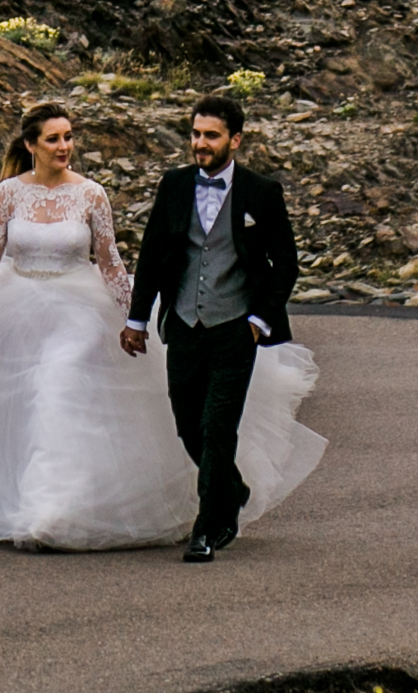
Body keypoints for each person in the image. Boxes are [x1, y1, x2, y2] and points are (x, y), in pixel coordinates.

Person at [0, 100, 324, 552]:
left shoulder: (91, 193)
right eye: (54, 138)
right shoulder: (10, 194)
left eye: (68, 137)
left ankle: (55, 510)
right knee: (31, 411)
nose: (64, 146)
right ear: (31, 145)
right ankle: (225, 486)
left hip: (85, 312)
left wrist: (132, 317)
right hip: (14, 310)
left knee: (58, 388)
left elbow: (111, 261)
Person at [122, 91, 320, 561]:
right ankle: (231, 489)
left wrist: (257, 320)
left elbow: (285, 264)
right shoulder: (173, 186)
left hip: (235, 328)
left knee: (217, 427)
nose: (200, 143)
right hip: (184, 324)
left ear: (235, 140)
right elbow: (152, 254)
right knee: (187, 421)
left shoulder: (261, 192)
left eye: (211, 135)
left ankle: (209, 526)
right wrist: (136, 317)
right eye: (195, 134)